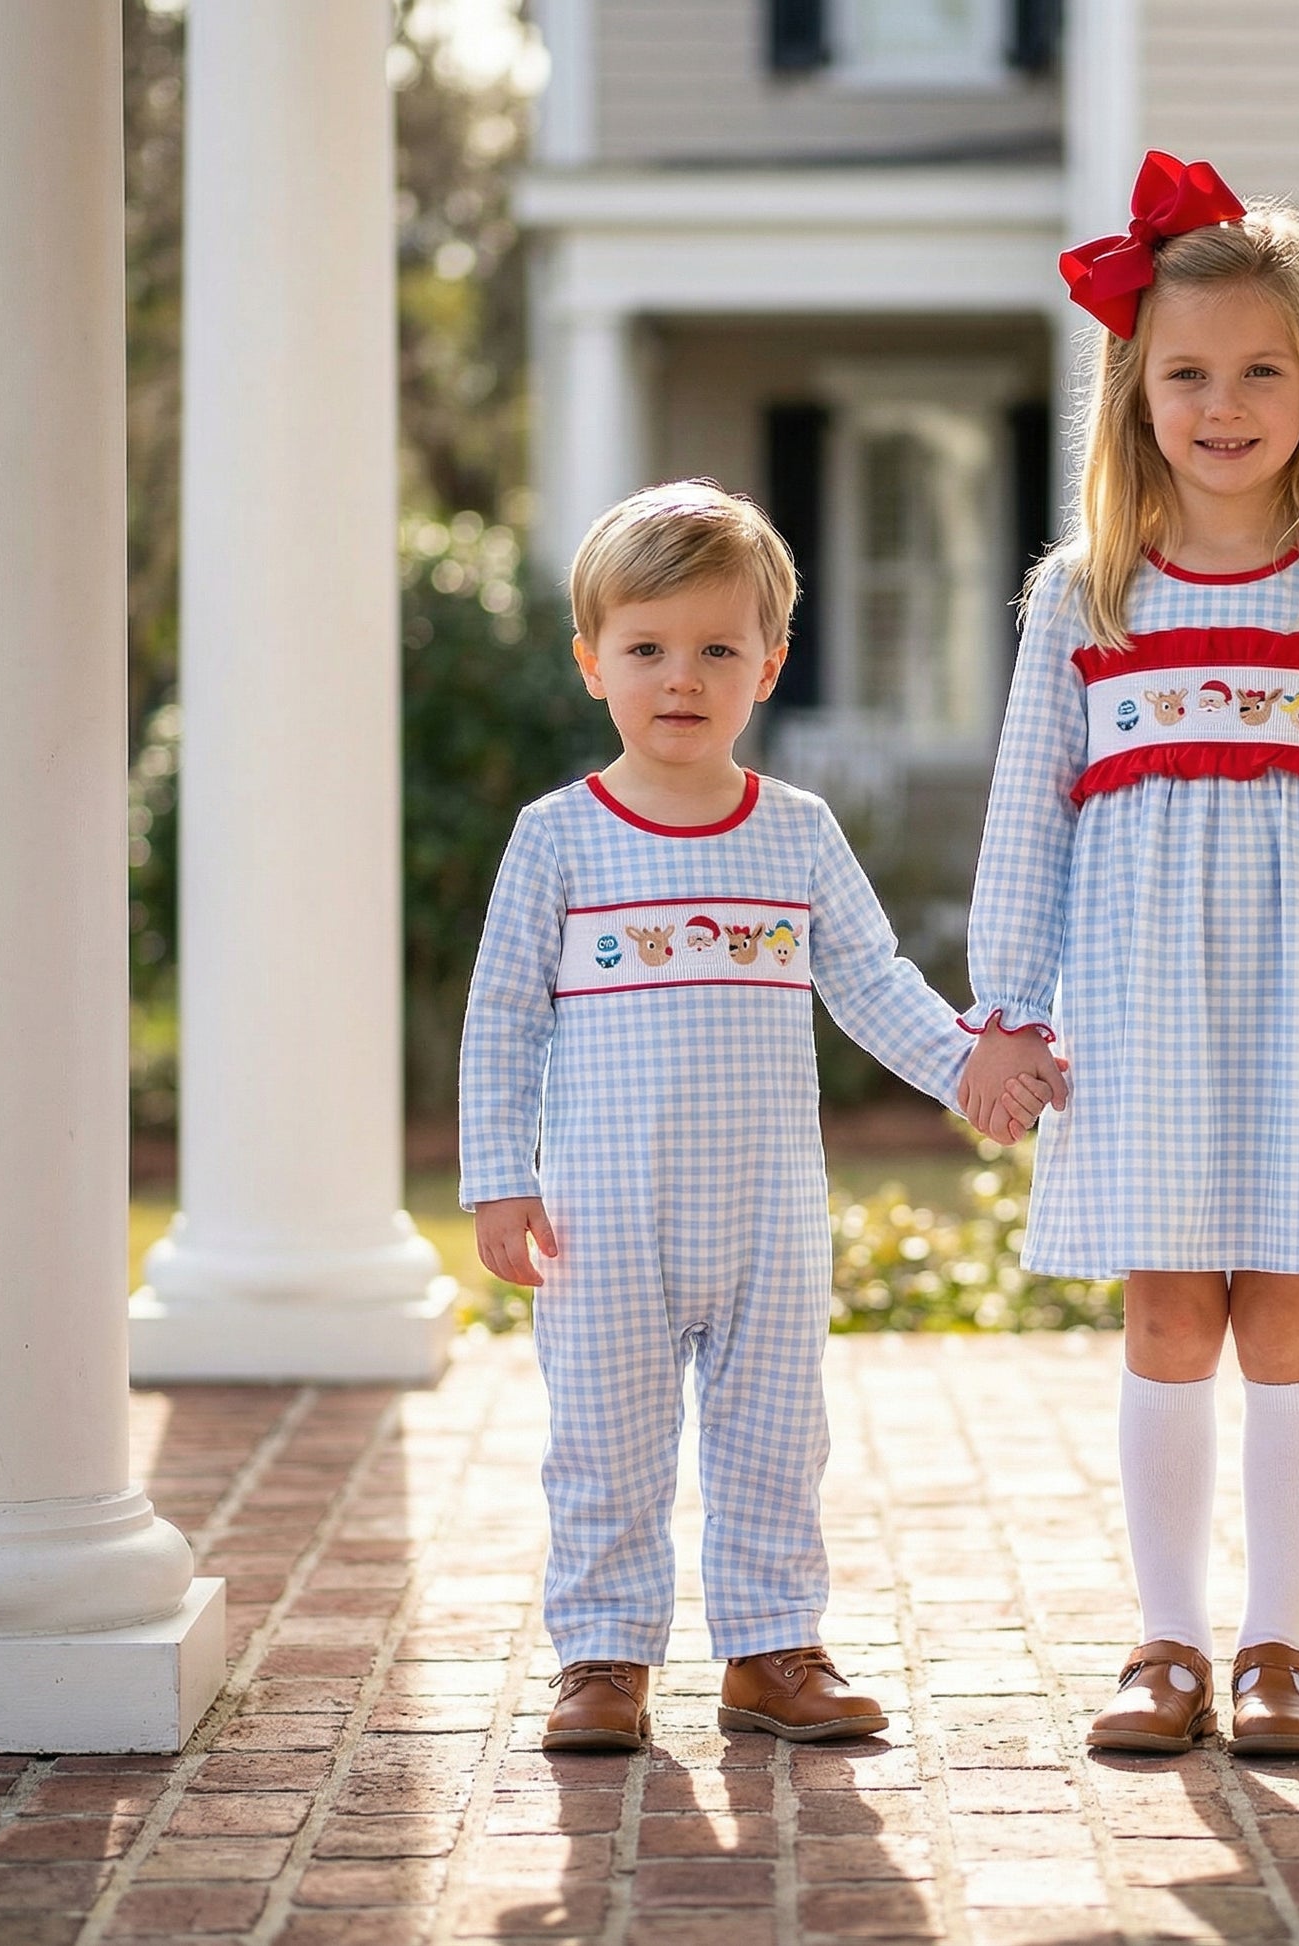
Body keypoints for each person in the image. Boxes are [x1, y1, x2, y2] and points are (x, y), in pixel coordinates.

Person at [956, 153, 1299, 1757]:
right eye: (1187, 372)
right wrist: (1007, 1013)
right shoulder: (1083, 597)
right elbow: (1023, 822)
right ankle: (1165, 1636)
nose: (1223, 402)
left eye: (1259, 371)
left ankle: (1278, 1647)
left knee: (1289, 1314)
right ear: (1135, 391)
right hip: (1137, 1007)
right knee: (1169, 1311)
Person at [460, 481, 1063, 1751]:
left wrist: (973, 1069)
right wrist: (494, 1175)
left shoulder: (794, 833)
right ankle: (603, 1657)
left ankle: (770, 1649)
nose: (681, 677)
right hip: (600, 1217)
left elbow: (869, 982)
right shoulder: (559, 839)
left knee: (775, 1441)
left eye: (716, 649)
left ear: (767, 665)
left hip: (766, 1214)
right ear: (591, 662)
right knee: (604, 1442)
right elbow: (504, 1014)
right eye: (646, 648)